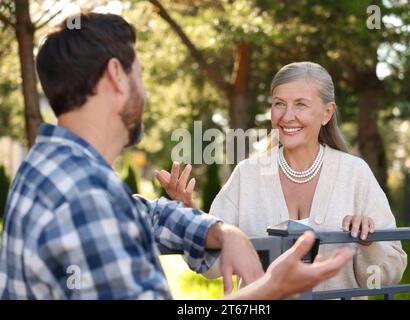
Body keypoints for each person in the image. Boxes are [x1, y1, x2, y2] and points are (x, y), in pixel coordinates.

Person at [0, 13, 354, 300]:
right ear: (116, 77)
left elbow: (149, 214)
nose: (147, 91)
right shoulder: (85, 198)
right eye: (140, 75)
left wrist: (225, 232)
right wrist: (268, 290)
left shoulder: (53, 166)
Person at [156, 62, 407, 298]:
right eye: (279, 104)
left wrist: (367, 241)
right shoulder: (247, 174)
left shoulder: (355, 173)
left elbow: (389, 275)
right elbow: (212, 269)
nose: (287, 116)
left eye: (300, 104)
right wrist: (189, 211)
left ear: (327, 113)